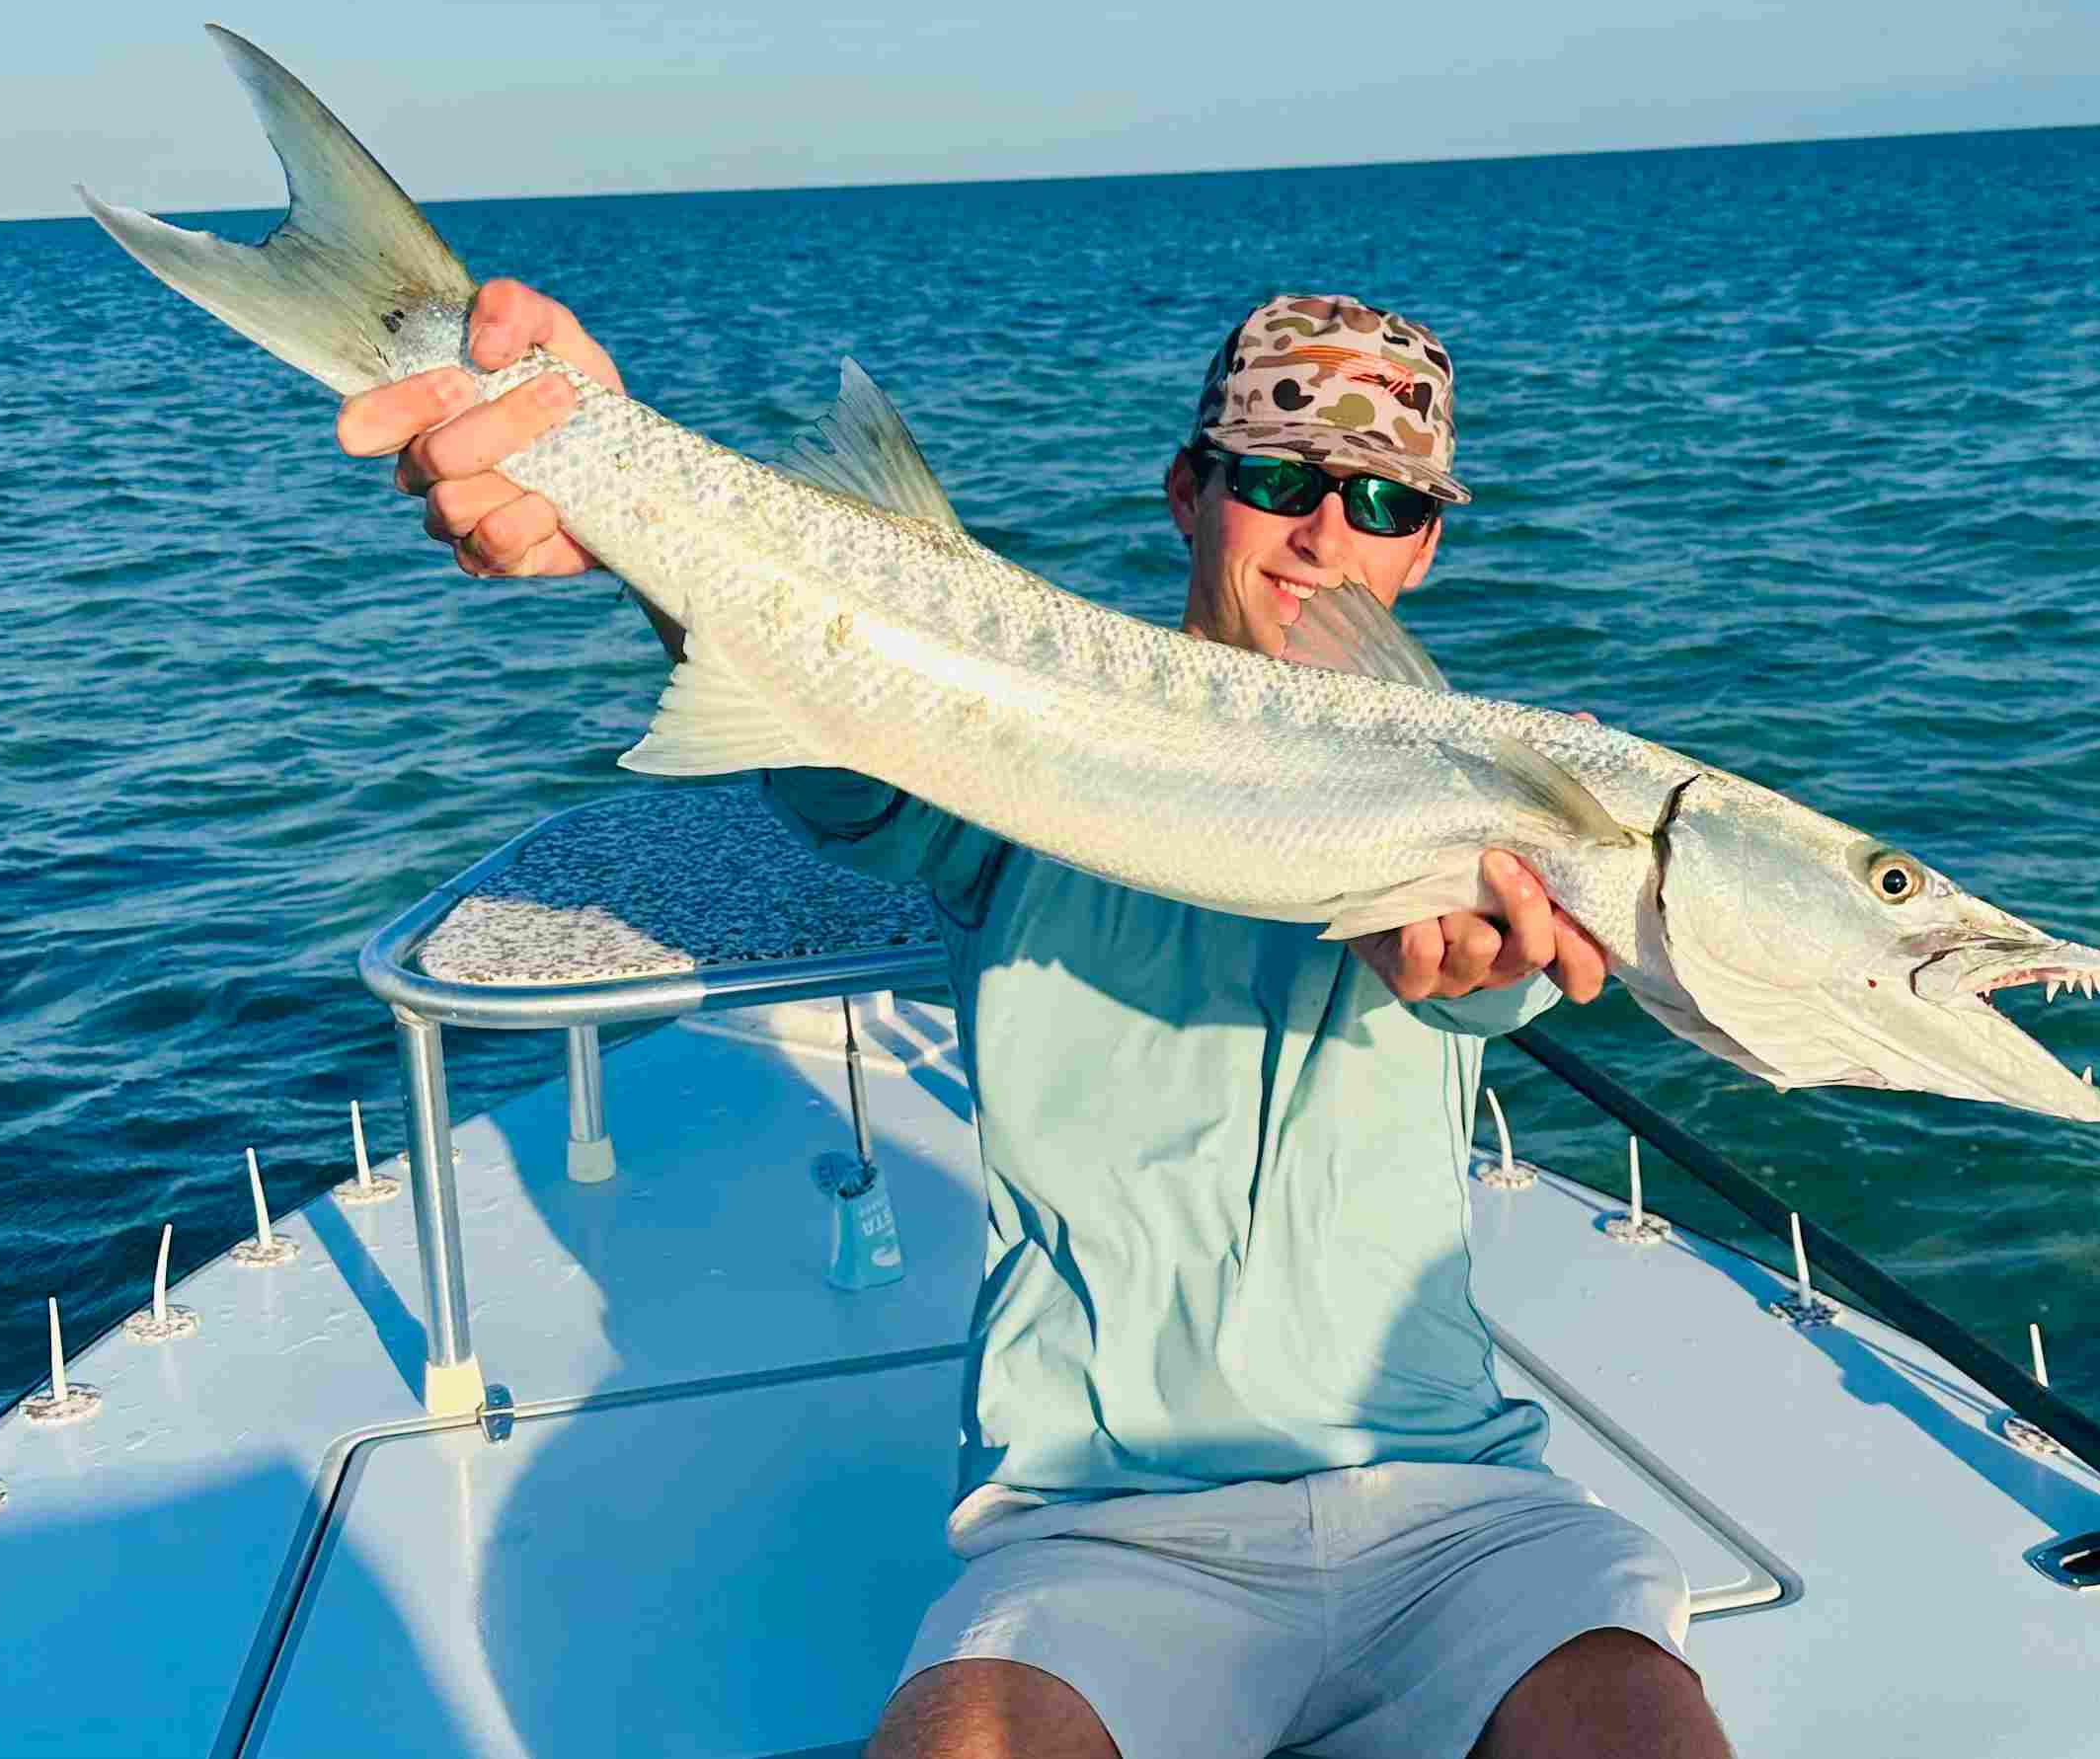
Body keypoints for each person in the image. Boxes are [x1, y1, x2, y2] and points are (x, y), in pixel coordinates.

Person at [338, 282, 1735, 1759]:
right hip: (1103, 1527)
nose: (1328, 531)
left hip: (1457, 1508)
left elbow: (1551, 951)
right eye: (1277, 480)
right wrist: (605, 469)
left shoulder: (1504, 784)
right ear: (1189, 492)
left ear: (1427, 541)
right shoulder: (1004, 730)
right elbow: (823, 714)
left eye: (1382, 500)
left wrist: (1501, 956)